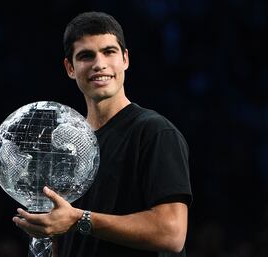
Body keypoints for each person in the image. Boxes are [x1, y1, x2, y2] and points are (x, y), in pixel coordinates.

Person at [12, 11, 192, 257]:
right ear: (70, 68)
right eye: (86, 56)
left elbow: (172, 234)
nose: (99, 64)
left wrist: (78, 219)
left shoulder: (155, 132)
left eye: (109, 51)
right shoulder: (66, 147)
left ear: (125, 59)